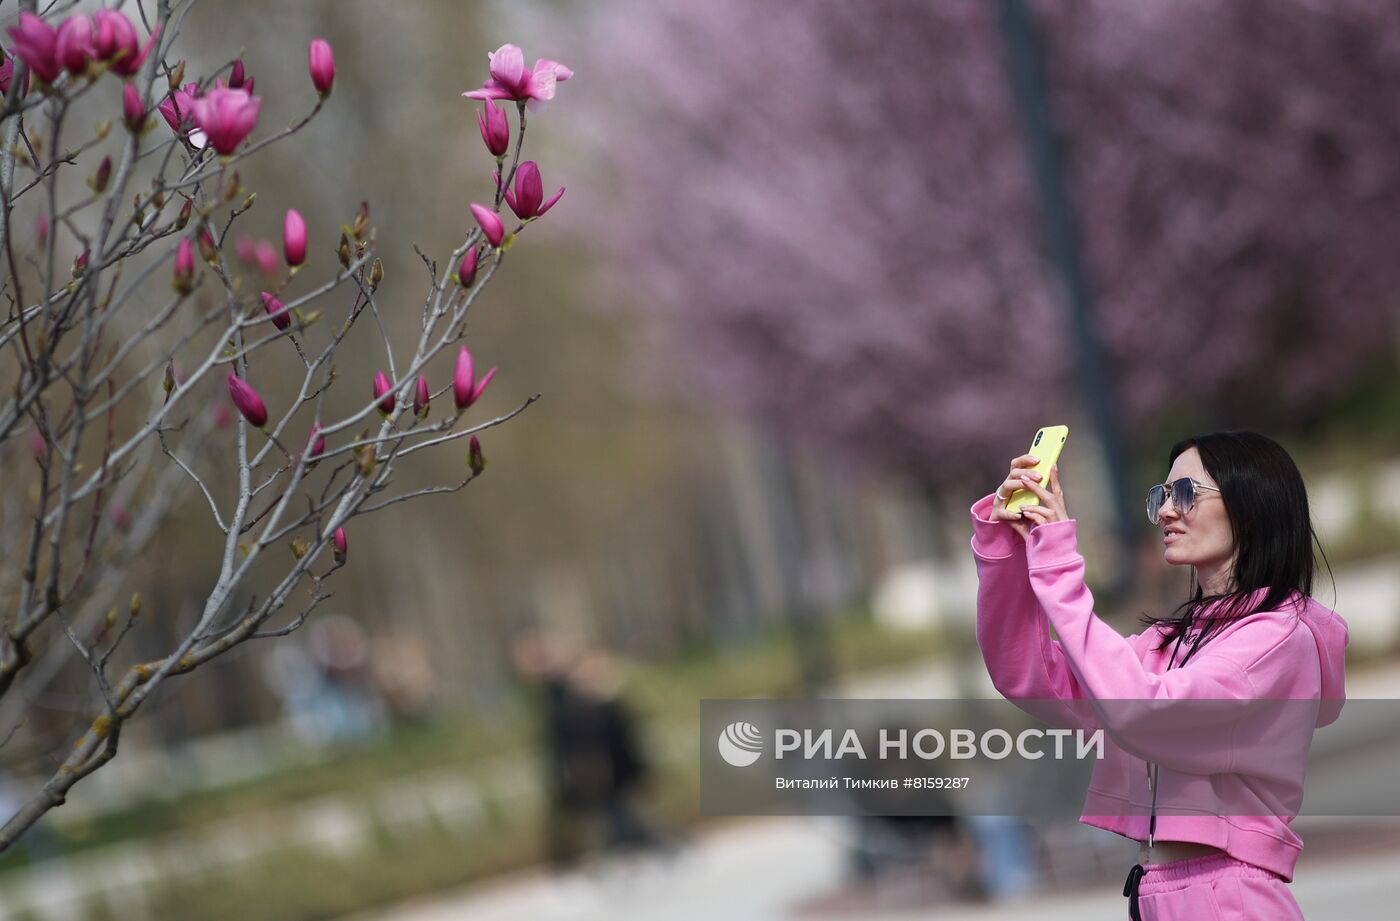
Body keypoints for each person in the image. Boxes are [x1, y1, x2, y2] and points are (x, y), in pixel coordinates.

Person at [970, 431, 1347, 920]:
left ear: (1250, 508)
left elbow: (1142, 707)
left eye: (1186, 493)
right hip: (1158, 895)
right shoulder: (1173, 642)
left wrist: (1060, 562)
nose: (1167, 510)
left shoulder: (1278, 639)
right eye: (1162, 495)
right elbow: (1027, 675)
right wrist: (1009, 551)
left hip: (1228, 900)